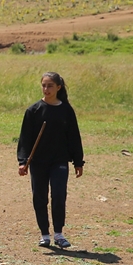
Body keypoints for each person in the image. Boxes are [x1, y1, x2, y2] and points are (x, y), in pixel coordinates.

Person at [17, 71, 84, 248]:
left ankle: (59, 234)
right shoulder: (33, 111)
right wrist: (23, 161)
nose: (46, 89)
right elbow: (25, 139)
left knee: (59, 195)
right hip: (38, 162)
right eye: (44, 85)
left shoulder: (66, 110)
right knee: (39, 197)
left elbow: (74, 137)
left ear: (58, 87)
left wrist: (78, 161)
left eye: (50, 85)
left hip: (59, 161)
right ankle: (45, 234)